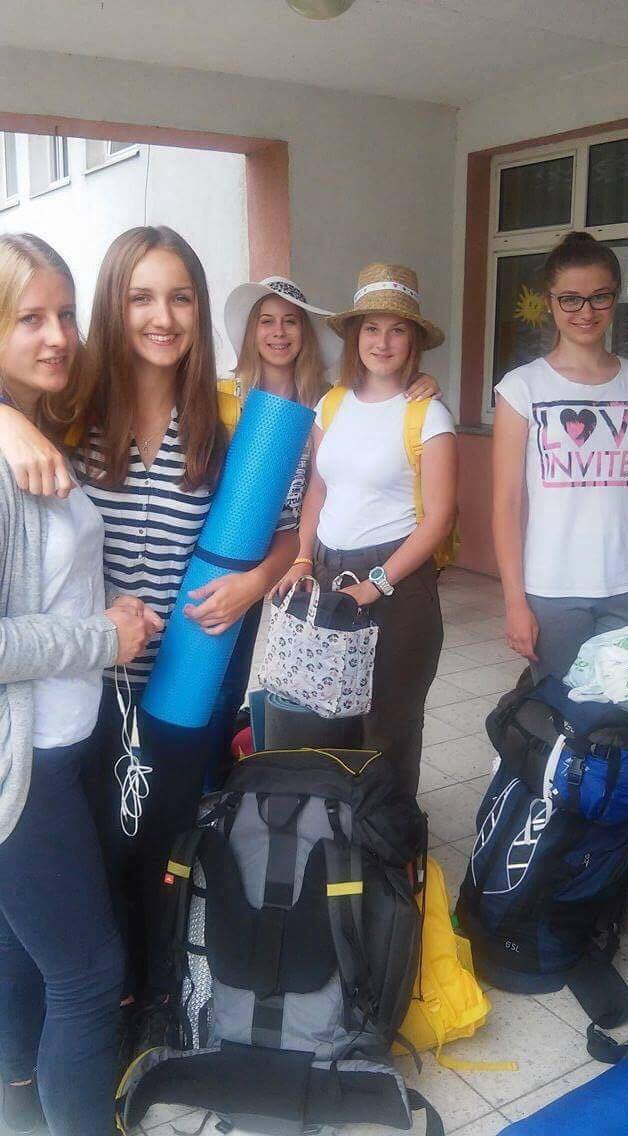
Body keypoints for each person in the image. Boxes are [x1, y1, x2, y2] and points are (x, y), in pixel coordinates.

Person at [0, 229, 299, 1054]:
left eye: (180, 298)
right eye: (141, 297)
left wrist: (253, 583)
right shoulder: (67, 409)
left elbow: (283, 531)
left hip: (182, 681)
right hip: (79, 686)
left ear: (200, 312)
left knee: (161, 847)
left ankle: (151, 1000)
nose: (161, 317)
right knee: (89, 857)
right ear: (113, 305)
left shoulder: (228, 421)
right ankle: (87, 1014)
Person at [0, 233, 155, 1136]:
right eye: (30, 318)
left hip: (62, 744)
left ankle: (21, 1108)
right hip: (23, 770)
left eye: (64, 314)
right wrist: (102, 635)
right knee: (89, 976)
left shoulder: (34, 428)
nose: (57, 335)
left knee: (27, 954)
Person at [207, 275, 443, 777]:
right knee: (253, 688)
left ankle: (380, 815)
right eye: (266, 321)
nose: (278, 332)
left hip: (321, 559)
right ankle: (231, 791)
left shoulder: (325, 397)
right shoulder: (227, 397)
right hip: (241, 556)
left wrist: (421, 385)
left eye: (291, 321)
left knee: (386, 715)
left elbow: (426, 507)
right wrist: (303, 558)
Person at [492, 230, 628, 936]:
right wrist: (514, 601)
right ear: (549, 303)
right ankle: (554, 886)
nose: (585, 312)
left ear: (616, 299)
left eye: (599, 297)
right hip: (552, 597)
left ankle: (619, 892)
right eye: (570, 299)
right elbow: (505, 504)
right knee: (564, 744)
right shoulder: (522, 389)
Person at [275, 263, 457, 797]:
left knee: (388, 727)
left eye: (397, 330)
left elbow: (439, 518)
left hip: (397, 581)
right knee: (326, 716)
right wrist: (302, 557)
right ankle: (335, 830)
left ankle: (388, 834)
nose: (382, 342)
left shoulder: (429, 415)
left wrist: (377, 583)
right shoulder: (331, 404)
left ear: (413, 341)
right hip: (327, 571)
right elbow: (318, 489)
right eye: (371, 328)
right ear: (355, 337)